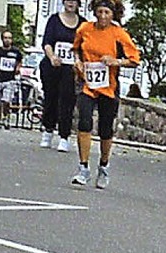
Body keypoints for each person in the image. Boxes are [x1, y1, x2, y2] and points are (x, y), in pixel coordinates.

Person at [71, 0, 140, 188]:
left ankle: (103, 166)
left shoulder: (118, 33)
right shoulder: (85, 28)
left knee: (105, 129)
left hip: (109, 87)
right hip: (87, 85)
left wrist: (116, 61)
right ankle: (83, 168)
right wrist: (77, 62)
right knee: (84, 122)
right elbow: (75, 49)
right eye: (100, 12)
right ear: (95, 12)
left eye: (107, 13)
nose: (102, 16)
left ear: (113, 14)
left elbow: (134, 60)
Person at [39, 0, 85, 153]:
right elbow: (46, 42)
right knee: (51, 97)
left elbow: (84, 47)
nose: (71, 3)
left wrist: (79, 61)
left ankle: (64, 136)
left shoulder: (83, 24)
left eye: (74, 1)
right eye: (68, 0)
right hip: (53, 66)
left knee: (67, 100)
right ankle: (48, 130)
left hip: (71, 69)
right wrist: (52, 57)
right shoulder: (54, 20)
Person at [0, 29, 22, 129]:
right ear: (2, 39)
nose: (7, 40)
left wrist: (18, 68)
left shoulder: (16, 52)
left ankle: (6, 118)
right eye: (5, 38)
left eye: (9, 38)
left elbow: (19, 62)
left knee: (6, 101)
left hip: (9, 80)